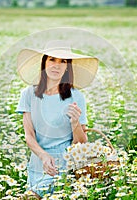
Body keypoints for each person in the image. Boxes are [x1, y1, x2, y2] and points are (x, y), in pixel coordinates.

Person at [16, 40, 98, 199]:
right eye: (52, 59)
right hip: (37, 163)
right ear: (44, 62)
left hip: (65, 164)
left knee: (34, 196)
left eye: (63, 61)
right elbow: (29, 136)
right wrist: (43, 156)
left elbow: (80, 144)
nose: (57, 65)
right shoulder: (28, 94)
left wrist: (75, 123)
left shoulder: (76, 97)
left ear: (68, 66)